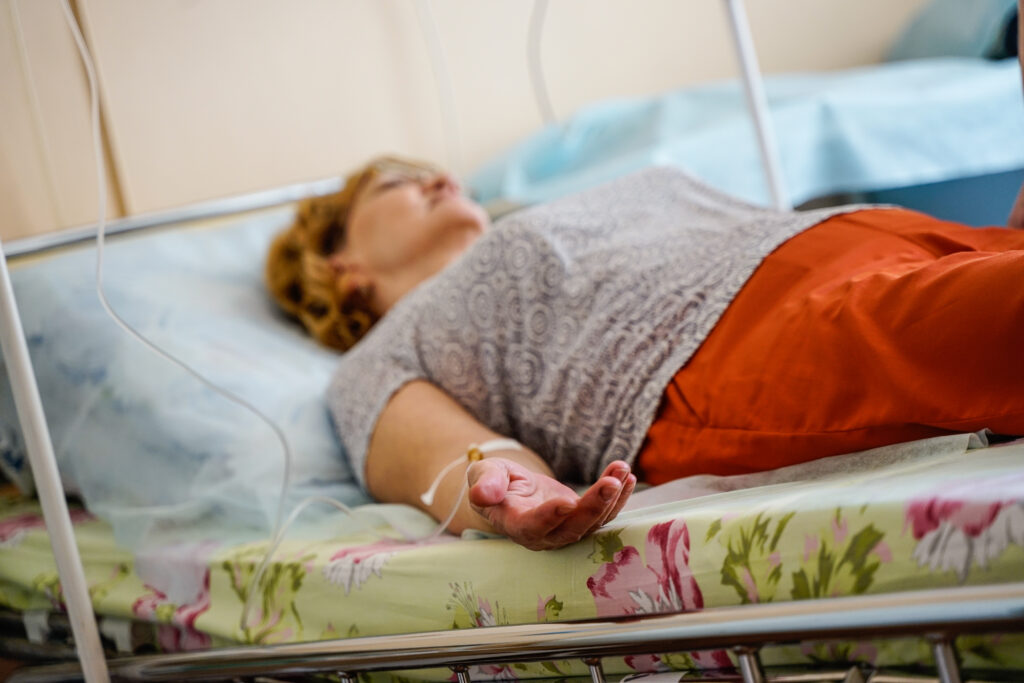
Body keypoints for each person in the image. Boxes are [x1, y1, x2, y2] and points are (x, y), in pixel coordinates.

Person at [266, 150, 1024, 551]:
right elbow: (459, 460)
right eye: (397, 183)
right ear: (340, 263)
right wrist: (514, 492)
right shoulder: (376, 360)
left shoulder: (545, 213)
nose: (440, 175)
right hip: (729, 342)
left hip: (860, 233)